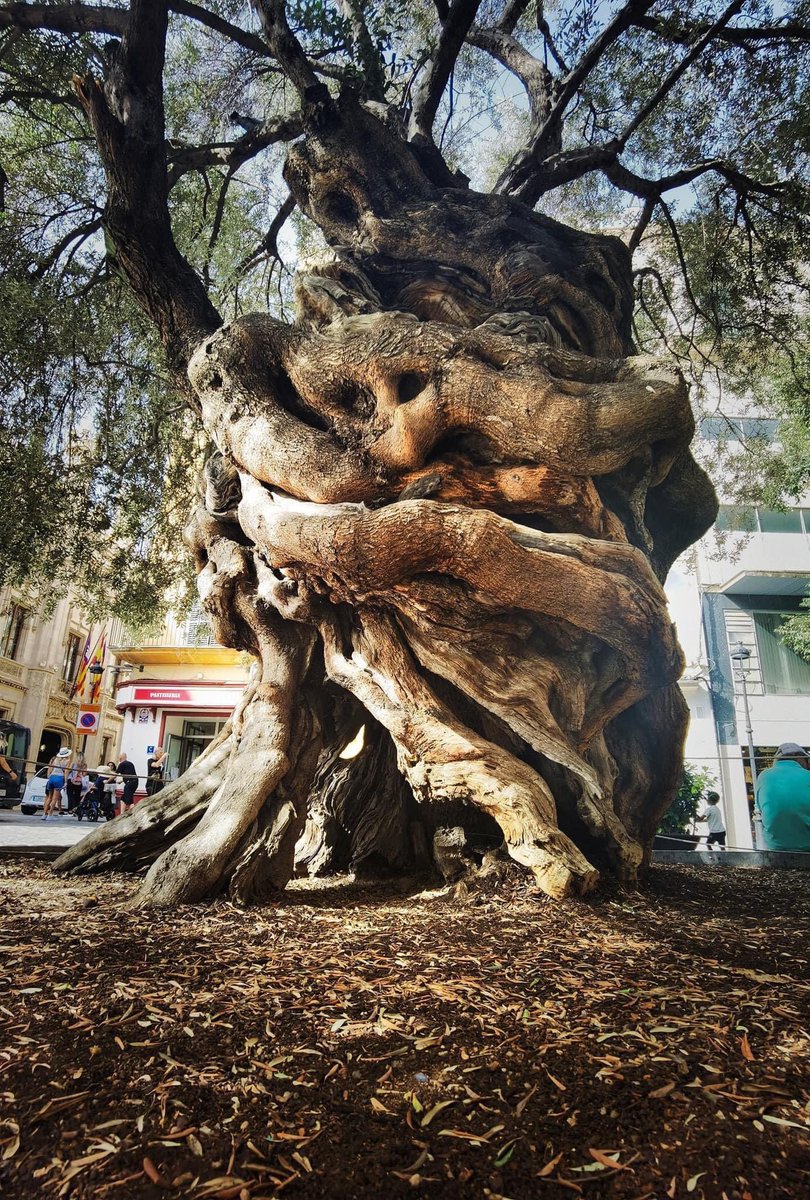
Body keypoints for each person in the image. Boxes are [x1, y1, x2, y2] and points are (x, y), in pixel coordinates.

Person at [755, 742, 810, 852]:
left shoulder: (763, 776)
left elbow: (760, 810)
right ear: (800, 759)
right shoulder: (807, 775)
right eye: (806, 761)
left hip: (775, 846)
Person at [43, 747, 71, 821]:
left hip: (52, 777)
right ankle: (50, 814)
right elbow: (66, 772)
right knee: (55, 799)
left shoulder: (55, 759)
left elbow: (50, 768)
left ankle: (44, 814)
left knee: (49, 797)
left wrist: (49, 777)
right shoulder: (68, 761)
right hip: (59, 778)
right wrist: (65, 782)